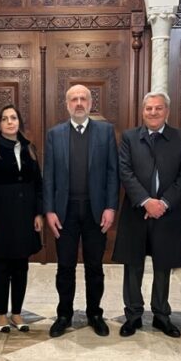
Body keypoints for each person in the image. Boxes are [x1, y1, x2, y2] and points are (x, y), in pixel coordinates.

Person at [113, 91, 181, 338]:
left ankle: (161, 315)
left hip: (167, 213)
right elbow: (125, 171)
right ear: (142, 111)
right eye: (148, 108)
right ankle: (133, 315)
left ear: (167, 111)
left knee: (163, 265)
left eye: (158, 108)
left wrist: (164, 203)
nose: (153, 112)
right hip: (136, 211)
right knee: (133, 265)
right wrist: (147, 202)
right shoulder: (129, 137)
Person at [43, 84, 119, 338]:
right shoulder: (54, 134)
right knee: (65, 266)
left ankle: (94, 314)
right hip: (64, 212)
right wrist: (49, 210)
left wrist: (110, 206)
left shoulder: (105, 132)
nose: (78, 103)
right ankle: (64, 314)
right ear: (67, 105)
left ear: (90, 103)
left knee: (94, 266)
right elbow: (48, 175)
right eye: (73, 99)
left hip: (96, 211)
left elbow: (113, 172)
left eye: (83, 99)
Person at [0, 104, 43, 332]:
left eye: (13, 118)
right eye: (4, 118)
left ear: (19, 122)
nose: (9, 122)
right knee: (2, 267)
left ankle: (16, 313)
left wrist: (38, 212)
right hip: (0, 218)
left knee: (21, 266)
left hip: (25, 216)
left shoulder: (29, 148)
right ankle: (1, 314)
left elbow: (37, 184)